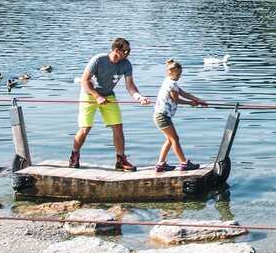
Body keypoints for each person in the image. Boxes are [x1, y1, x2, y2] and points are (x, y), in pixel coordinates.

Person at [70, 37, 151, 171]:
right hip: (89, 94)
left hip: (108, 96)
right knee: (85, 128)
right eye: (126, 51)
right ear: (117, 50)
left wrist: (139, 97)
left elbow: (130, 86)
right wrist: (97, 96)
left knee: (118, 127)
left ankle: (120, 160)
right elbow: (85, 81)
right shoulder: (98, 60)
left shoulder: (126, 64)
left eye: (129, 51)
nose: (128, 54)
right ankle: (74, 155)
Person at [152, 59, 209, 172]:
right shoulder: (171, 84)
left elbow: (183, 93)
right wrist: (190, 103)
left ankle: (160, 164)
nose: (179, 76)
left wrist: (197, 99)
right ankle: (184, 163)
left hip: (161, 115)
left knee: (169, 140)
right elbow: (176, 99)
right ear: (170, 73)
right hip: (162, 116)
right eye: (178, 74)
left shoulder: (169, 81)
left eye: (180, 74)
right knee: (175, 139)